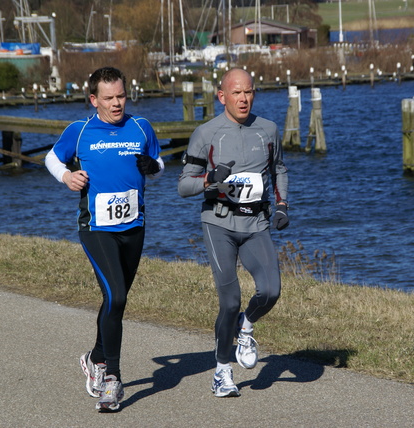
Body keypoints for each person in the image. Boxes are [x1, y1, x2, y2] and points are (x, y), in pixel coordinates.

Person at [45, 66, 164, 411]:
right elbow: (51, 157)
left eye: (121, 96)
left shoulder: (140, 126)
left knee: (117, 301)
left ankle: (95, 357)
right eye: (109, 98)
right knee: (116, 294)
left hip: (134, 226)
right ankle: (112, 378)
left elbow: (158, 162)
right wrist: (67, 176)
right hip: (96, 228)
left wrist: (152, 168)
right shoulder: (79, 131)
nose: (117, 104)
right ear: (94, 99)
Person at [177, 68, 289, 397]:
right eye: (236, 93)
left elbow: (279, 168)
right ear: (221, 96)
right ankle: (222, 371)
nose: (243, 98)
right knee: (229, 301)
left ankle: (247, 325)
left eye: (249, 92)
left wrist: (282, 205)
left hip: (256, 223)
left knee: (270, 291)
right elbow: (183, 185)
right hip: (219, 223)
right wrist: (211, 180)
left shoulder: (268, 129)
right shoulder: (206, 133)